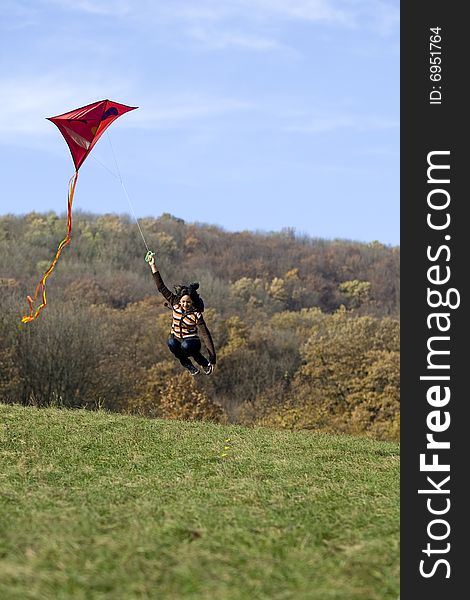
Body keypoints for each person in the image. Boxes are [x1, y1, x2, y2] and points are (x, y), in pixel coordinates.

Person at [147, 255, 216, 376]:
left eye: (188, 302)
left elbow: (205, 334)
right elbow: (161, 287)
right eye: (183, 301)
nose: (185, 304)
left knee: (185, 345)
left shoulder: (196, 314)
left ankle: (204, 363)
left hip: (192, 343)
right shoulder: (174, 302)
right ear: (180, 300)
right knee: (171, 342)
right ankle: (189, 366)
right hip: (178, 340)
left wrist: (212, 355)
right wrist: (152, 265)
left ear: (192, 302)